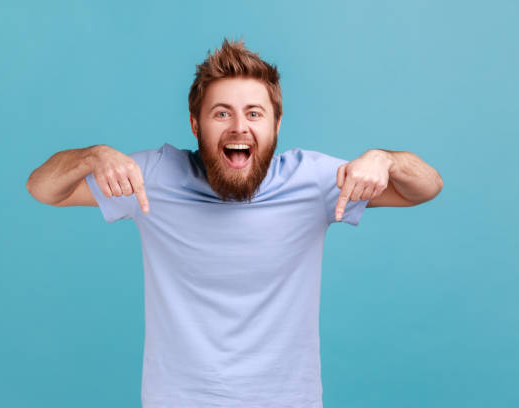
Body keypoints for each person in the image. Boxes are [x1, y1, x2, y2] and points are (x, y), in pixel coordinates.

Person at [26, 38, 443, 408]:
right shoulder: (151, 177)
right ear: (195, 125)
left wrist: (385, 159)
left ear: (276, 125)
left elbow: (424, 188)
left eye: (254, 113)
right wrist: (93, 155)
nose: (239, 126)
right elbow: (43, 188)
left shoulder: (312, 181)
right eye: (221, 113)